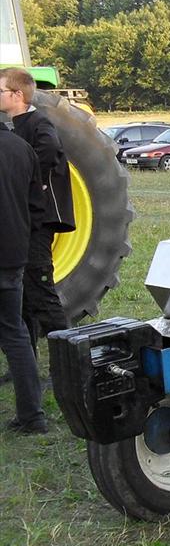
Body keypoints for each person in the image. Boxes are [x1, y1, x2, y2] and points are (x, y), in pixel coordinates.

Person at [0, 68, 74, 351]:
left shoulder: (38, 122)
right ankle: (25, 358)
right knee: (24, 299)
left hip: (40, 222)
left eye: (1, 91)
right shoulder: (16, 126)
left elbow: (50, 147)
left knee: (42, 293)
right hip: (24, 222)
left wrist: (34, 181)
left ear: (17, 95)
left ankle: (66, 361)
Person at [0, 88, 49, 434]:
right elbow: (36, 207)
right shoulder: (23, 148)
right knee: (15, 333)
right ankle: (33, 418)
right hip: (13, 255)